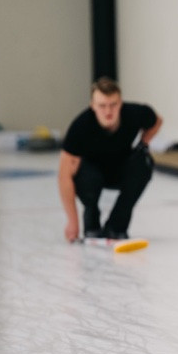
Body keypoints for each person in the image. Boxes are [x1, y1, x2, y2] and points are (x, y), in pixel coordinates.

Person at [58, 77, 162, 241]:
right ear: (93, 106)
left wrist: (144, 143)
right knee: (85, 175)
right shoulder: (80, 127)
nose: (108, 111)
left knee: (144, 162)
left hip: (121, 169)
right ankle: (91, 222)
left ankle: (116, 226)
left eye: (113, 105)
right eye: (102, 106)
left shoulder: (135, 113)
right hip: (91, 174)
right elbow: (64, 177)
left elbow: (157, 121)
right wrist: (72, 222)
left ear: (120, 103)